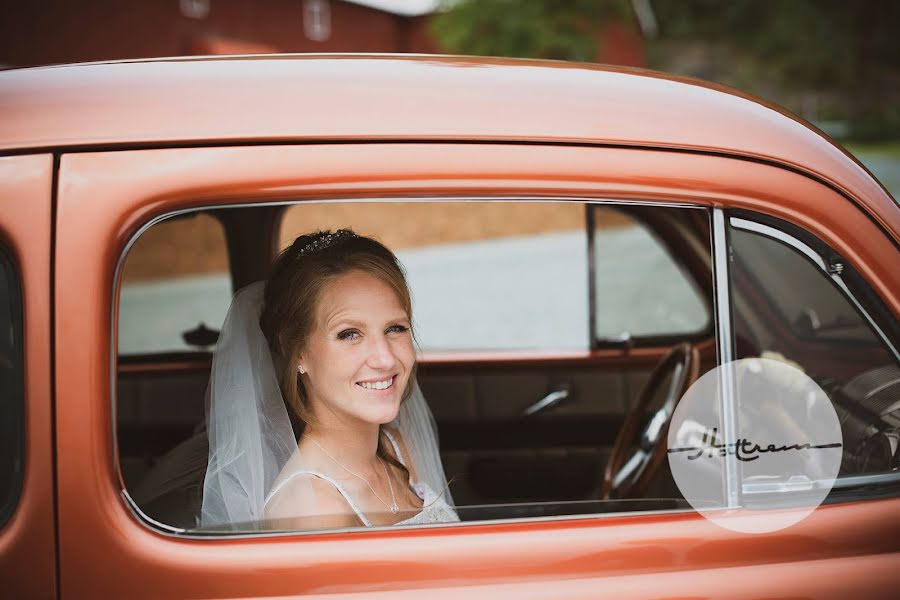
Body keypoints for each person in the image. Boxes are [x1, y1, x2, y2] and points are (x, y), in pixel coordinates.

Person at [200, 228, 458, 530]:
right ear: (296, 352)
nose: (386, 359)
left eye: (395, 328)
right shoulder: (313, 509)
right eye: (349, 334)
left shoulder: (394, 448)